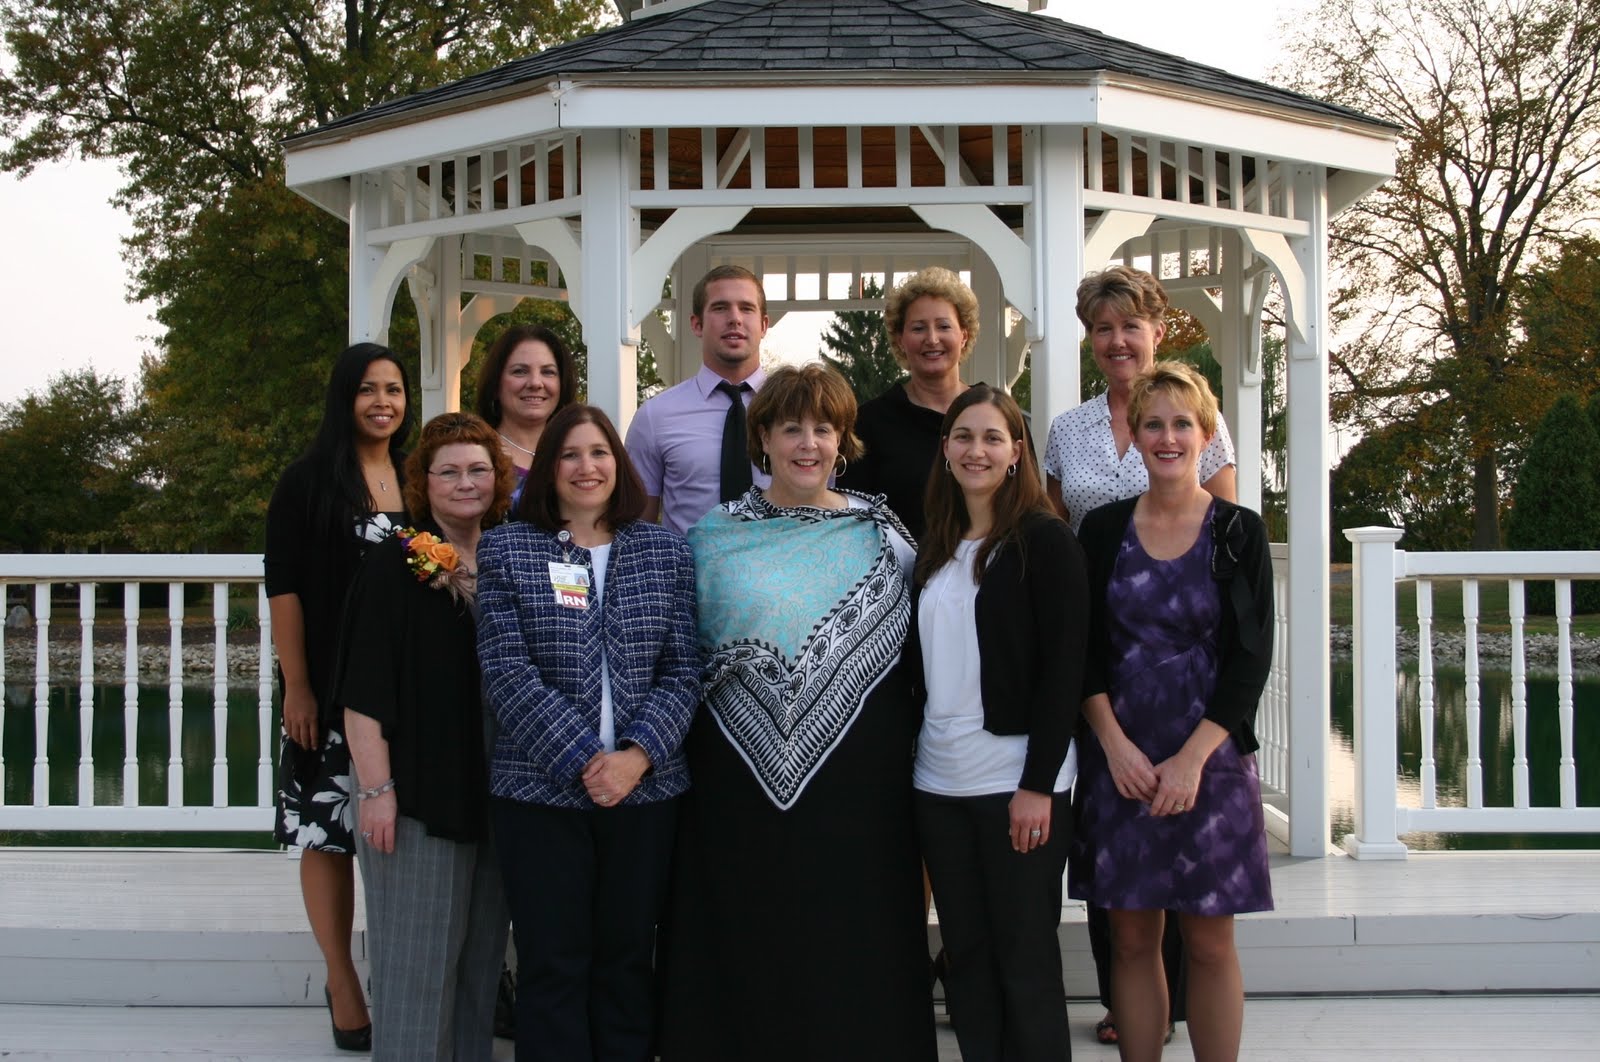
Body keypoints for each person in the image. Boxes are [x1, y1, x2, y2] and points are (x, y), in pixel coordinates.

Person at [659, 364, 935, 1062]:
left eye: (824, 429)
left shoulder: (883, 534)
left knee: (851, 930)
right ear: (764, 438)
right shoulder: (712, 536)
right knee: (750, 925)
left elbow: (930, 642)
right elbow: (679, 649)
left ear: (844, 440)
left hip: (861, 783)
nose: (808, 444)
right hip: (732, 779)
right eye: (792, 428)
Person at [1043, 265, 1239, 1045]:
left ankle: (1182, 1004)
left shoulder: (1198, 419)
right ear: (1091, 339)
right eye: (1103, 328)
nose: (1117, 340)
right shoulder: (1068, 430)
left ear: (1158, 329)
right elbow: (1057, 534)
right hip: (1104, 664)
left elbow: (1222, 538)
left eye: (1131, 325)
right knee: (1117, 854)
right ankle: (1129, 1011)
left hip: (1186, 662)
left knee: (1192, 859)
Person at [477, 404, 701, 1062]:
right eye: (570, 454)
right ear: (548, 469)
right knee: (553, 963)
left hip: (646, 794)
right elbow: (506, 671)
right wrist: (584, 761)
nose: (587, 467)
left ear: (619, 464)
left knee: (628, 960)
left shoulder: (663, 551)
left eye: (599, 453)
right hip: (538, 795)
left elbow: (684, 670)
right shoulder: (507, 549)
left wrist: (635, 758)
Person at [1069, 363, 1274, 1062]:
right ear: (1133, 433)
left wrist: (1192, 759)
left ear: (1206, 435)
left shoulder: (1238, 534)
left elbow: (1251, 659)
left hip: (1208, 764)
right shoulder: (1099, 532)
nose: (1167, 436)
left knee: (1211, 940)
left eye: (1182, 423)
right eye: (1152, 423)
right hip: (1119, 762)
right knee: (1130, 938)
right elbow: (1083, 652)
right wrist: (1114, 746)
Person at [903, 384, 1089, 1062]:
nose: (975, 450)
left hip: (1018, 783)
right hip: (939, 784)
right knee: (969, 957)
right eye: (963, 436)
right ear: (945, 449)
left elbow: (1064, 672)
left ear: (1016, 452)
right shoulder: (934, 546)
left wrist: (1038, 783)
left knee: (1025, 958)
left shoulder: (1045, 542)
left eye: (991, 438)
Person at [337, 412, 513, 1059]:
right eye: (449, 471)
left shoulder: (505, 555)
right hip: (414, 800)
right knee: (416, 972)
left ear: (497, 479)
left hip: (492, 791)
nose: (466, 483)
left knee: (477, 970)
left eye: (478, 470)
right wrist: (377, 789)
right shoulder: (395, 564)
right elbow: (362, 692)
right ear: (424, 481)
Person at [266, 341, 414, 1052]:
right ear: (343, 398)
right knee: (326, 835)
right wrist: (297, 685)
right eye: (367, 390)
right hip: (325, 692)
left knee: (392, 835)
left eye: (393, 389)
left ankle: (401, 972)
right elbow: (285, 589)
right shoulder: (308, 482)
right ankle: (341, 978)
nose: (382, 402)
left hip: (401, 697)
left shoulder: (418, 477)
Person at [625, 265, 772, 534]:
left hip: (781, 572)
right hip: (687, 574)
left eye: (746, 308)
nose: (735, 319)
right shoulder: (655, 417)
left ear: (763, 325)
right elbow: (637, 531)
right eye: (720, 308)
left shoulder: (797, 413)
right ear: (696, 324)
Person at [838, 266, 978, 540]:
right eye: (918, 328)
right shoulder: (869, 423)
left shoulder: (995, 414)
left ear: (964, 334)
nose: (932, 339)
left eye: (944, 326)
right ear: (900, 339)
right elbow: (853, 520)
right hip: (902, 577)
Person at [475, 323, 578, 505]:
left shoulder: (580, 453)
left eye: (548, 372)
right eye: (520, 371)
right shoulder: (475, 455)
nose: (535, 383)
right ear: (496, 382)